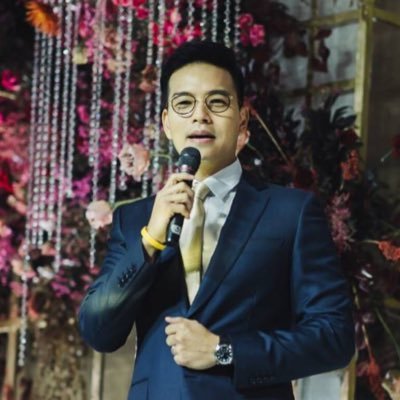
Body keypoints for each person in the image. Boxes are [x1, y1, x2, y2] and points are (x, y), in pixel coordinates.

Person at [78, 40, 355, 400]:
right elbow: (98, 331)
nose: (200, 116)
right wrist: (150, 240)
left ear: (242, 119)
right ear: (166, 123)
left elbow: (333, 337)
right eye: (184, 103)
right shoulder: (134, 220)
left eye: (218, 102)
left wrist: (225, 351)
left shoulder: (291, 212)